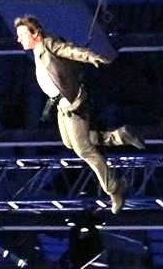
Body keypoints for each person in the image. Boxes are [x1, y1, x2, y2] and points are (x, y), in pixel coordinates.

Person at [14, 15, 145, 214]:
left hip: (74, 106)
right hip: (61, 107)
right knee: (70, 144)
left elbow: (71, 51)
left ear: (35, 33)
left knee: (84, 150)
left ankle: (115, 188)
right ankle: (121, 136)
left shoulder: (50, 45)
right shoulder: (37, 54)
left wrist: (91, 56)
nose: (19, 39)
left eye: (22, 34)